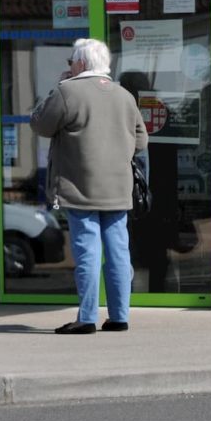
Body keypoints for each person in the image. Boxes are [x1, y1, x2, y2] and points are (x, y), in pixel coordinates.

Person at [31, 38, 148, 334]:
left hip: (78, 186)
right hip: (118, 188)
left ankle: (86, 317)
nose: (69, 67)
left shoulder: (67, 91)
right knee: (119, 251)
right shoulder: (124, 96)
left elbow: (40, 124)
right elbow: (141, 141)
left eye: (71, 62)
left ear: (80, 63)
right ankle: (120, 316)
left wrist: (55, 88)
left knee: (87, 250)